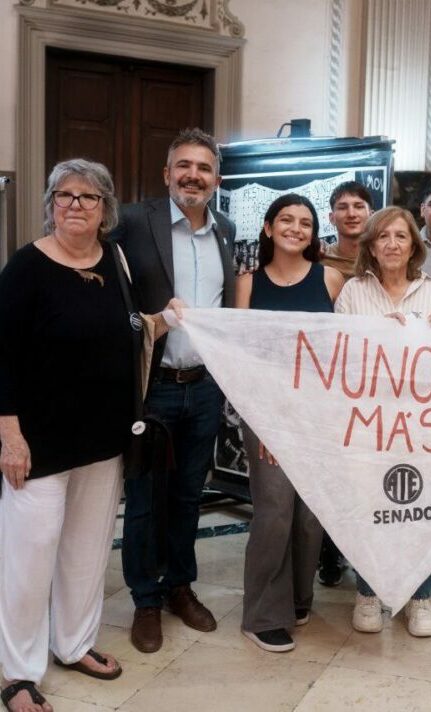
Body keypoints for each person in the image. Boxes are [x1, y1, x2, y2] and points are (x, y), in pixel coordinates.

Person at [0, 159, 173, 712]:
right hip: (39, 444)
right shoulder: (26, 267)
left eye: (88, 197)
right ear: (51, 203)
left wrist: (165, 320)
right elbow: (1, 358)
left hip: (104, 438)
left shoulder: (116, 259)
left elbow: (130, 330)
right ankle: (18, 672)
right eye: (64, 195)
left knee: (85, 552)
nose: (75, 204)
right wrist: (10, 436)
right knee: (29, 560)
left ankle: (73, 643)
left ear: (105, 209)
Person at [111, 128, 236, 654]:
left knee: (189, 495)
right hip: (152, 387)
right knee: (143, 500)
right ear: (167, 174)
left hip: (203, 387)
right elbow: (111, 301)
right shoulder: (132, 222)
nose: (193, 175)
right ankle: (145, 598)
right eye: (183, 166)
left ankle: (179, 587)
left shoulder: (227, 230)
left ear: (216, 179)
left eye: (203, 168)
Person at [335, 206, 431, 638]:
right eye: (382, 236)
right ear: (370, 245)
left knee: (418, 509)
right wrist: (375, 335)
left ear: (413, 245)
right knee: (372, 509)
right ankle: (369, 592)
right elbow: (341, 357)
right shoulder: (352, 293)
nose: (391, 244)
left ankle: (419, 596)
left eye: (400, 237)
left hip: (420, 423)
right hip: (369, 420)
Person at [234, 193, 343, 653]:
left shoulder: (332, 279)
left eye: (305, 222)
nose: (296, 228)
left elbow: (355, 341)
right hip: (266, 411)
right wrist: (262, 417)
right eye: (286, 220)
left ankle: (300, 598)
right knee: (275, 511)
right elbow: (235, 354)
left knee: (310, 514)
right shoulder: (247, 283)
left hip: (319, 413)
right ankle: (262, 615)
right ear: (268, 228)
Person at [317, 180, 373, 587]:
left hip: (375, 386)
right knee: (330, 474)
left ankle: (364, 551)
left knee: (366, 476)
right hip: (331, 386)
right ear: (332, 215)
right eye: (343, 206)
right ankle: (327, 554)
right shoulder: (317, 262)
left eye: (359, 205)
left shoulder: (385, 259)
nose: (351, 213)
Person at [321, 181, 374, 280]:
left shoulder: (383, 257)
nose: (351, 214)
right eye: (342, 208)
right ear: (332, 218)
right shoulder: (319, 259)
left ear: (371, 215)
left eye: (358, 207)